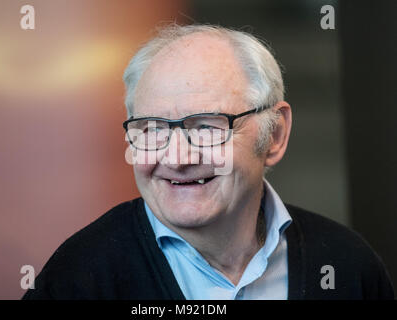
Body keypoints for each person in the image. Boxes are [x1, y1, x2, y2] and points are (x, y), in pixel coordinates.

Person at [22, 24, 394, 300]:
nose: (177, 158)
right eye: (152, 129)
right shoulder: (79, 279)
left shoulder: (348, 268)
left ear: (275, 135)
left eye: (206, 127)